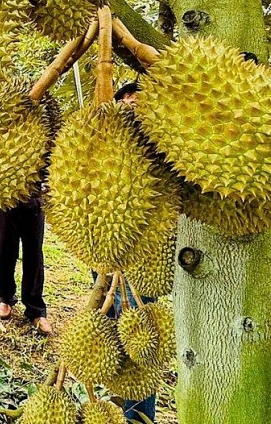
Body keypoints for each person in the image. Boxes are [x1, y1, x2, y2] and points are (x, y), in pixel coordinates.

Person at [112, 80, 157, 422]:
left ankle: (138, 416)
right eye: (123, 100)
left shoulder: (158, 145)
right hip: (104, 247)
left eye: (135, 100)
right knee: (114, 329)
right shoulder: (107, 142)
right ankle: (121, 404)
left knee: (139, 339)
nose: (129, 104)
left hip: (142, 253)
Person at [0, 192, 52, 335]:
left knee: (34, 254)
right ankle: (5, 297)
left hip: (34, 198)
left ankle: (35, 309)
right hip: (4, 197)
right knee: (4, 250)